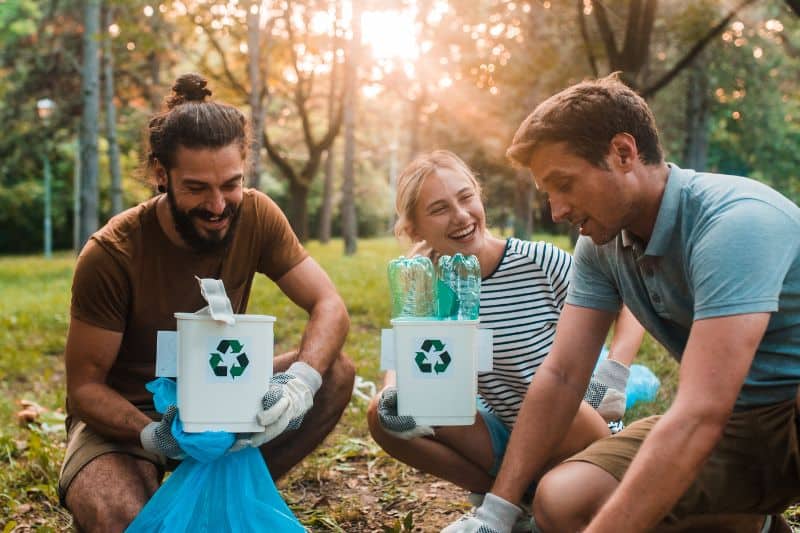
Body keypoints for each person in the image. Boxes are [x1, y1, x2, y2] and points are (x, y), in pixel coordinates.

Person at [444, 73, 800, 533]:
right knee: (562, 500)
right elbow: (562, 375)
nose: (557, 210)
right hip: (731, 428)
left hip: (784, 416)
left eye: (564, 184)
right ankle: (751, 524)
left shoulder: (735, 223)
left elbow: (699, 413)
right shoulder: (601, 245)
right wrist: (497, 512)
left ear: (624, 153)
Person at [58, 73, 355, 532]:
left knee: (333, 373)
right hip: (128, 424)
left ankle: (221, 495)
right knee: (122, 517)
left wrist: (298, 385)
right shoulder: (112, 253)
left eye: (230, 184)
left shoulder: (256, 214)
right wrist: (155, 436)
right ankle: (163, 491)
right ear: (161, 174)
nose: (218, 206)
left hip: (223, 398)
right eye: (197, 188)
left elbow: (329, 304)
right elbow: (85, 387)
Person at [366, 150, 645, 531]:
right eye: (439, 209)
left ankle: (505, 505)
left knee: (562, 407)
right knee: (381, 414)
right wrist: (395, 394)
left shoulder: (539, 262)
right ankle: (511, 500)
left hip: (574, 433)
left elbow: (626, 301)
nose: (461, 216)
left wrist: (614, 371)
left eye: (466, 198)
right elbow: (405, 355)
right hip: (502, 434)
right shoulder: (427, 285)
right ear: (415, 229)